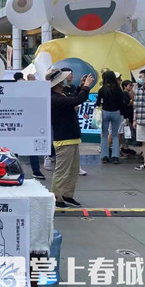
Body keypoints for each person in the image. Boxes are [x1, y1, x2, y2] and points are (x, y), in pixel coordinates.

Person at [46, 67, 94, 208]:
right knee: (62, 171)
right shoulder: (55, 98)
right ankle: (57, 196)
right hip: (64, 138)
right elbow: (77, 100)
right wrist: (86, 86)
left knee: (73, 170)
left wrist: (81, 87)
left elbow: (74, 99)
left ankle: (67, 195)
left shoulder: (60, 95)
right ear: (58, 83)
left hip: (71, 137)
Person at [14, 72, 45, 179]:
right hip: (28, 121)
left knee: (18, 147)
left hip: (20, 122)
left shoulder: (14, 89)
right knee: (31, 147)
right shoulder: (29, 90)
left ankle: (14, 169)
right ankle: (36, 170)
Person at [96, 70, 125, 164]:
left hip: (105, 111)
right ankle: (115, 156)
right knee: (115, 135)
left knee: (104, 135)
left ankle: (104, 156)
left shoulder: (102, 89)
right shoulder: (118, 89)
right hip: (116, 112)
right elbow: (122, 102)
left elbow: (98, 103)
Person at [120, 80, 136, 155]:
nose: (131, 87)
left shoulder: (129, 93)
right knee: (126, 132)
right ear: (125, 86)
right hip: (126, 116)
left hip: (129, 115)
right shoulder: (124, 94)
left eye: (132, 85)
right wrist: (132, 99)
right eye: (130, 85)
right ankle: (124, 147)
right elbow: (127, 104)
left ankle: (125, 147)